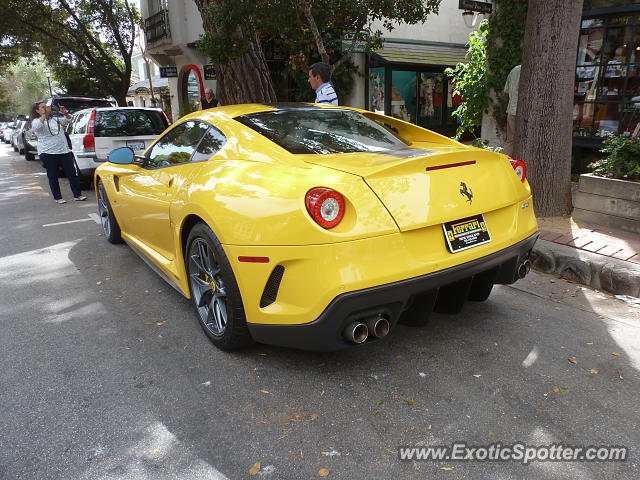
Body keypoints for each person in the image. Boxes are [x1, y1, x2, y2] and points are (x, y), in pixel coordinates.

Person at [30, 101, 86, 204]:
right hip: (48, 153)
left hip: (63, 151)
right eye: (42, 107)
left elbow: (69, 120)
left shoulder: (55, 119)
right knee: (53, 175)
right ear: (37, 111)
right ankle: (58, 197)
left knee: (72, 173)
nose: (46, 108)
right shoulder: (36, 121)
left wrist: (65, 113)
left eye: (46, 106)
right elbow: (37, 127)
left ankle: (77, 195)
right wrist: (45, 114)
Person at [503, 64, 521, 157]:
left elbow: (506, 90)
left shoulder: (514, 69)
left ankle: (505, 162)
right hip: (522, 112)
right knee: (521, 140)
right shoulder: (531, 70)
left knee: (510, 140)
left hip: (510, 110)